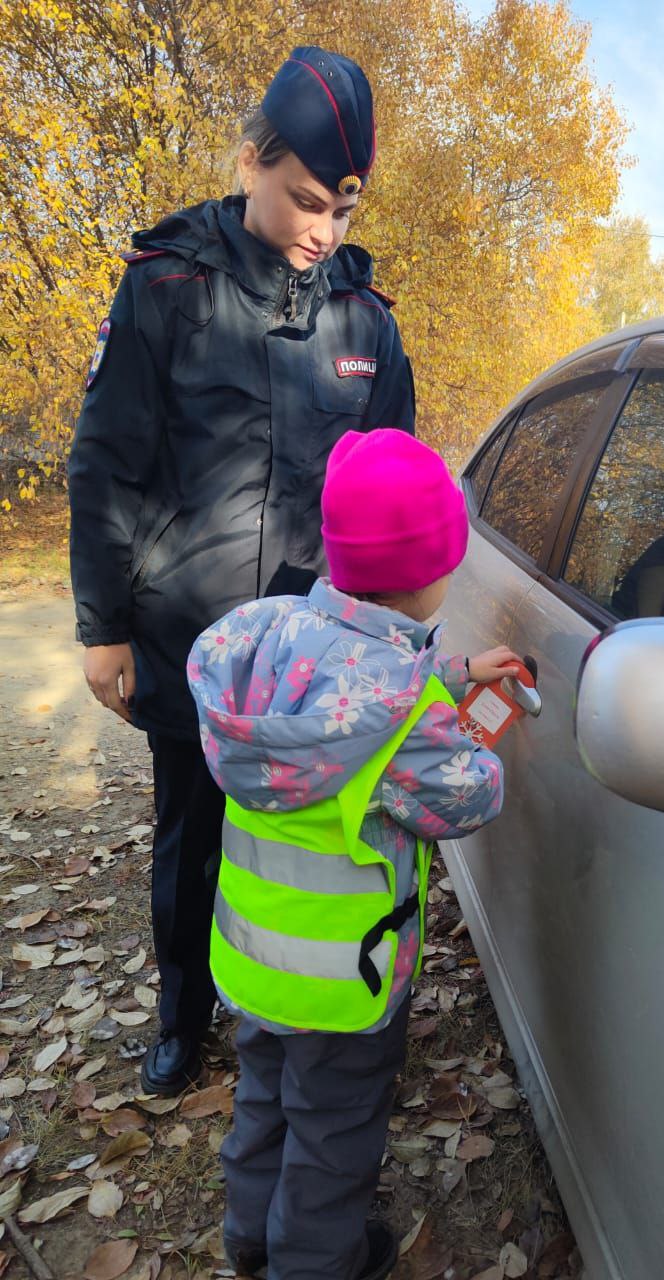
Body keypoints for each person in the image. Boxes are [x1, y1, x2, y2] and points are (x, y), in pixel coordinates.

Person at [68, 47, 416, 1095]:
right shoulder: (169, 288)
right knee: (193, 828)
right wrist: (102, 626)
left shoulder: (363, 319)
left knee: (304, 837)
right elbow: (106, 461)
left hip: (316, 653)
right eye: (305, 200)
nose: (323, 230)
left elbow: (392, 481)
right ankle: (183, 1008)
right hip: (189, 634)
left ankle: (295, 1003)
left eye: (342, 212)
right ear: (250, 160)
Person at [187, 429, 520, 1280]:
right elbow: (470, 796)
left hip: (255, 959)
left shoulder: (267, 634)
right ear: (436, 567)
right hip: (346, 978)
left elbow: (344, 687)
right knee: (335, 1129)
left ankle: (250, 1239)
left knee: (263, 1101)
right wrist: (464, 726)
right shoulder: (403, 715)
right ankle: (316, 1262)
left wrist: (443, 672)